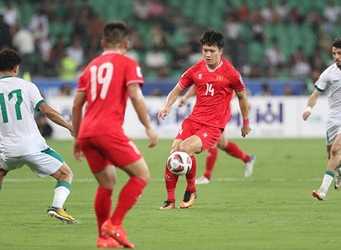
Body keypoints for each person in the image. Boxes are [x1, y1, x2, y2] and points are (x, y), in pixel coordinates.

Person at [72, 22, 158, 249]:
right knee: (141, 175)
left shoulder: (89, 67)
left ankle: (104, 239)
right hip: (107, 130)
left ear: (102, 43)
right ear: (126, 44)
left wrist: (77, 138)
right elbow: (136, 96)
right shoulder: (128, 63)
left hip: (87, 133)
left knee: (107, 183)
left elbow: (76, 105)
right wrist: (148, 126)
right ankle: (115, 225)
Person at [158, 30, 251, 210]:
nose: (207, 54)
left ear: (220, 51)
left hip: (213, 125)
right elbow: (177, 89)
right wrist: (167, 105)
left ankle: (191, 190)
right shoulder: (196, 69)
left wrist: (246, 123)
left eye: (212, 51)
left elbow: (242, 97)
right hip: (193, 120)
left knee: (184, 149)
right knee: (173, 154)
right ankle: (170, 200)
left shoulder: (231, 73)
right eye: (205, 50)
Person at [0, 49, 76, 223]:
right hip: (33, 147)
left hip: (8, 150)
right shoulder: (28, 86)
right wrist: (69, 126)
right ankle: (56, 206)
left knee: (0, 170)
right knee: (66, 174)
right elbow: (47, 111)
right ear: (16, 69)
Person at [178, 85, 256, 185]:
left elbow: (237, 88)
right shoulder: (204, 72)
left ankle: (207, 176)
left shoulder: (227, 72)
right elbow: (196, 85)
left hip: (221, 112)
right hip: (207, 111)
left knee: (212, 141)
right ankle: (248, 159)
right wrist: (186, 97)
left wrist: (245, 101)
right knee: (223, 144)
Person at [302, 38, 341, 201]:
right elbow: (315, 94)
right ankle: (339, 171)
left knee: (335, 150)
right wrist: (308, 109)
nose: (336, 57)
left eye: (339, 53)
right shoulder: (329, 73)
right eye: (334, 53)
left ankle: (322, 190)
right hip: (333, 119)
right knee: (330, 153)